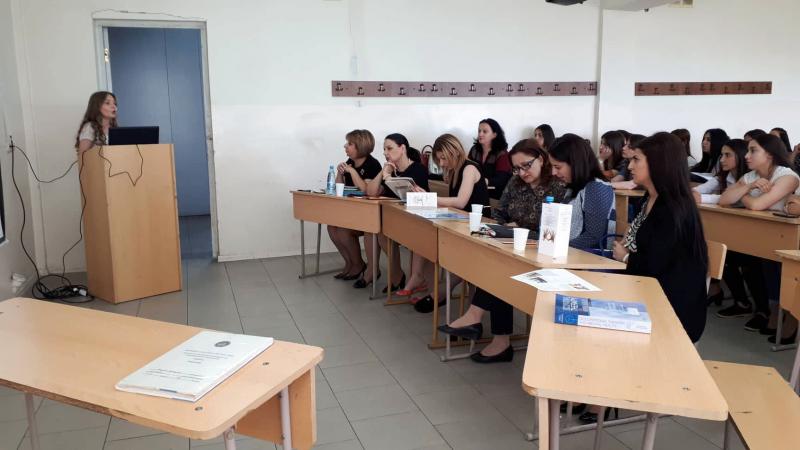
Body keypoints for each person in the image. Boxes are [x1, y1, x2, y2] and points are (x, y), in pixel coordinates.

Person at [437, 139, 565, 363]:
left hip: (541, 248)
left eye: (526, 165)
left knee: (501, 267)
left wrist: (521, 228)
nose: (522, 172)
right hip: (512, 243)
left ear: (541, 159)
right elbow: (499, 212)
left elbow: (555, 227)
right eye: (517, 168)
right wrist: (504, 226)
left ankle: (481, 323)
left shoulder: (557, 185)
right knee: (497, 262)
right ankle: (495, 336)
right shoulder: (516, 182)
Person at [612, 132, 709, 343]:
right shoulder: (650, 197)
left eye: (636, 160)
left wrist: (626, 257)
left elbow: (657, 265)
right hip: (645, 289)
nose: (630, 166)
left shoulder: (673, 208)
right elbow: (636, 240)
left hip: (670, 307)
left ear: (658, 164)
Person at [718, 134, 800, 331]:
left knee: (773, 266)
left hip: (789, 237)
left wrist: (743, 194)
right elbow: (724, 199)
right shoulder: (751, 176)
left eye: (753, 151)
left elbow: (757, 205)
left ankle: (788, 316)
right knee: (755, 261)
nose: (746, 156)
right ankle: (771, 310)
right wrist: (749, 186)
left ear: (769, 154)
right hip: (765, 236)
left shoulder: (787, 176)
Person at [406, 134, 491, 310]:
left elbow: (460, 202)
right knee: (425, 235)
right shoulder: (454, 170)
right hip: (464, 222)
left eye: (444, 158)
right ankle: (434, 286)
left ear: (455, 152)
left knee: (460, 258)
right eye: (439, 159)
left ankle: (442, 292)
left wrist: (429, 198)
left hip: (479, 226)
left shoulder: (469, 168)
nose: (442, 163)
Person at [362, 134, 429, 291]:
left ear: (402, 148)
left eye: (389, 148)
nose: (385, 153)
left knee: (382, 230)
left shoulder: (418, 169)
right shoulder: (391, 170)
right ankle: (395, 274)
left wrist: (388, 177)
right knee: (374, 229)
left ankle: (399, 275)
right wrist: (383, 172)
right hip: (395, 219)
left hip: (415, 221)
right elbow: (371, 192)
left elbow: (408, 196)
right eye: (384, 149)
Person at [328, 130, 382, 281]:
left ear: (360, 146)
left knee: (343, 230)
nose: (345, 146)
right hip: (352, 211)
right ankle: (350, 263)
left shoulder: (372, 164)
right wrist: (340, 173)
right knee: (331, 227)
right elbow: (339, 189)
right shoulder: (350, 162)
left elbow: (366, 190)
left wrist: (352, 172)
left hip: (368, 214)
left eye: (350, 144)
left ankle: (358, 265)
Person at [549, 134, 614, 251]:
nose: (553, 172)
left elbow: (593, 237)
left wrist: (557, 248)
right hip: (571, 253)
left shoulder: (596, 188)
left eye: (557, 167)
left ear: (575, 163)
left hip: (590, 257)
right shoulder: (574, 186)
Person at [692, 139, 748, 205]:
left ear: (741, 155)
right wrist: (691, 192)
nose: (721, 160)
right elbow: (702, 188)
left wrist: (703, 198)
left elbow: (734, 199)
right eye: (722, 155)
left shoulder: (750, 178)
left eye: (727, 155)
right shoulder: (723, 176)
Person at [467, 118, 511, 199]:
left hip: (494, 195)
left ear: (494, 135)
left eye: (485, 131)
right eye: (479, 131)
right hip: (475, 190)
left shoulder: (502, 154)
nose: (480, 134)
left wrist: (482, 181)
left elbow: (501, 179)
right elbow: (467, 169)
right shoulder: (474, 149)